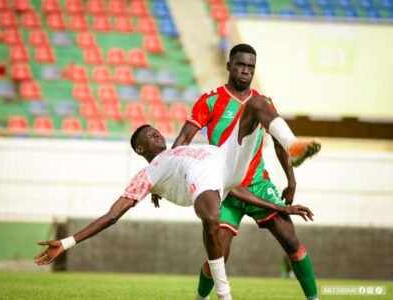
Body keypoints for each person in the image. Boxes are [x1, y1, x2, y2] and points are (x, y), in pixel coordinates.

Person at [35, 93, 319, 300]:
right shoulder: (149, 174)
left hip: (226, 163)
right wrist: (66, 242)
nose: (157, 134)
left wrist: (281, 207)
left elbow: (235, 187)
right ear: (139, 149)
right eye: (149, 135)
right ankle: (223, 294)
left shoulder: (177, 152)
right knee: (211, 217)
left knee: (257, 103)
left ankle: (292, 146)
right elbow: (112, 215)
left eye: (157, 131)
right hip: (206, 181)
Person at [172, 44, 319, 300]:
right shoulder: (210, 100)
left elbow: (276, 142)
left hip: (258, 184)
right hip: (226, 188)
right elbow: (183, 139)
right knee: (219, 254)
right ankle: (201, 298)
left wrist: (291, 180)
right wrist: (168, 174)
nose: (245, 71)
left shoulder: (263, 103)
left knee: (292, 242)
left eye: (250, 67)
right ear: (229, 66)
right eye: (240, 65)